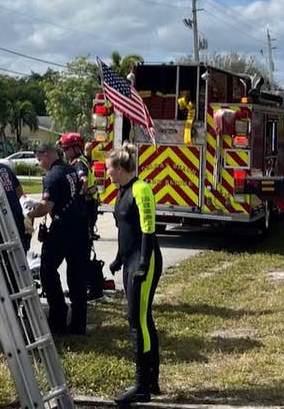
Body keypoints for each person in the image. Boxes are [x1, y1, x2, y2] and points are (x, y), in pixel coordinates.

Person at [107, 143, 163, 404]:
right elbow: (125, 230)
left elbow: (148, 230)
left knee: (137, 321)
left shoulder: (141, 190)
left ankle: (142, 385)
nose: (108, 173)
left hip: (146, 260)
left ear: (120, 168)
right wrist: (119, 259)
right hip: (129, 260)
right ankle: (152, 381)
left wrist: (142, 263)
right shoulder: (122, 191)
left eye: (110, 169)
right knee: (142, 320)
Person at [28, 143, 89, 335]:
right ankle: (79, 324)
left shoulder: (52, 177)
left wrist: (29, 213)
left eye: (39, 159)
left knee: (47, 270)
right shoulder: (70, 169)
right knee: (77, 276)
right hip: (80, 226)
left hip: (62, 229)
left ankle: (58, 316)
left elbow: (45, 207)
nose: (39, 163)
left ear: (46, 155)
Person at [0, 134, 30, 250]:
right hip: (9, 218)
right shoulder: (4, 169)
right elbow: (20, 192)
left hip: (2, 221)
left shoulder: (0, 169)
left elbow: (19, 192)